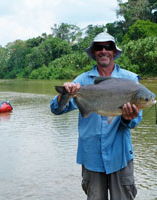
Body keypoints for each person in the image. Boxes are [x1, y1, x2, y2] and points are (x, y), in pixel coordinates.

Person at [50, 32, 140, 200]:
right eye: (99, 47)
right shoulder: (82, 81)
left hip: (120, 157)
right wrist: (64, 93)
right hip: (91, 157)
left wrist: (128, 118)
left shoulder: (130, 80)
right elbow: (56, 109)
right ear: (94, 53)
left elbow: (136, 120)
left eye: (108, 47)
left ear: (114, 51)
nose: (104, 51)